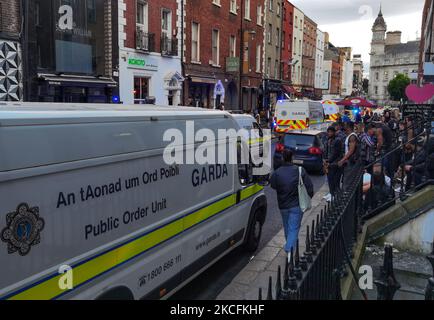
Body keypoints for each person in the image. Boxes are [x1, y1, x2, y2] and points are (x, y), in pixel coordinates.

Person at [271, 150, 314, 256]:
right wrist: (308, 197)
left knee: (287, 227)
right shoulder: (300, 170)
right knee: (294, 228)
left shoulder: (277, 172)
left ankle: (290, 251)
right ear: (292, 158)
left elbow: (273, 185)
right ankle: (289, 247)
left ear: (282, 158)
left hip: (283, 205)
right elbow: (309, 187)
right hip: (296, 204)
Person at [338, 122, 362, 191]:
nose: (344, 126)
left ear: (348, 127)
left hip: (351, 162)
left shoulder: (352, 137)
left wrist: (342, 160)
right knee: (346, 179)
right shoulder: (349, 136)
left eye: (345, 125)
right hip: (348, 161)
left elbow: (351, 150)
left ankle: (346, 194)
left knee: (348, 180)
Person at [324, 126, 343, 197]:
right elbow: (326, 151)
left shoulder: (337, 140)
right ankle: (331, 194)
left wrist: (328, 161)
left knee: (334, 181)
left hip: (334, 164)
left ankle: (335, 195)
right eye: (328, 132)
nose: (329, 133)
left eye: (331, 132)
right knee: (330, 180)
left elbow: (336, 153)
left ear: (334, 132)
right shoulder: (328, 140)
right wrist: (325, 160)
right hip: (329, 163)